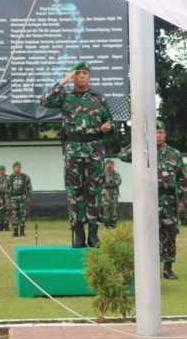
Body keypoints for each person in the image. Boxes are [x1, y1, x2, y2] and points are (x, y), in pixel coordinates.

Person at [40, 60, 114, 248]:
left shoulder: (98, 97)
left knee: (94, 192)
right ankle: (79, 234)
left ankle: (94, 235)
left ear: (89, 76)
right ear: (73, 76)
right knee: (75, 193)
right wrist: (65, 80)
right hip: (73, 150)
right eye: (78, 73)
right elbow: (44, 100)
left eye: (84, 73)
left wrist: (108, 126)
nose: (81, 76)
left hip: (95, 150)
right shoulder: (65, 96)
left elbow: (110, 120)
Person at [119, 120, 187, 279]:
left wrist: (182, 200)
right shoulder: (142, 151)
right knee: (147, 234)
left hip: (169, 200)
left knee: (169, 234)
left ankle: (168, 268)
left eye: (161, 132)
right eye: (154, 133)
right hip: (148, 201)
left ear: (165, 134)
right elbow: (122, 155)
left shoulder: (174, 153)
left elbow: (182, 178)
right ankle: (148, 269)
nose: (158, 135)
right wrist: (139, 140)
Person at [7, 161, 32, 237]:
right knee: (14, 215)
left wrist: (28, 196)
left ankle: (22, 232)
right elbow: (6, 189)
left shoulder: (25, 177)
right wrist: (7, 198)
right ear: (13, 168)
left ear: (21, 168)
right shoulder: (10, 178)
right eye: (16, 167)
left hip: (22, 198)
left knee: (22, 214)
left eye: (19, 167)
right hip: (13, 198)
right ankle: (15, 232)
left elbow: (29, 187)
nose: (17, 169)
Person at [101, 159, 122, 228]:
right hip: (105, 192)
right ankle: (106, 223)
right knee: (106, 207)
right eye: (109, 164)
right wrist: (104, 191)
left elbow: (119, 181)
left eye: (112, 164)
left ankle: (113, 223)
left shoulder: (116, 173)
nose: (111, 165)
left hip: (114, 192)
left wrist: (113, 181)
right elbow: (100, 182)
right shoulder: (102, 173)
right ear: (106, 165)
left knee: (114, 207)